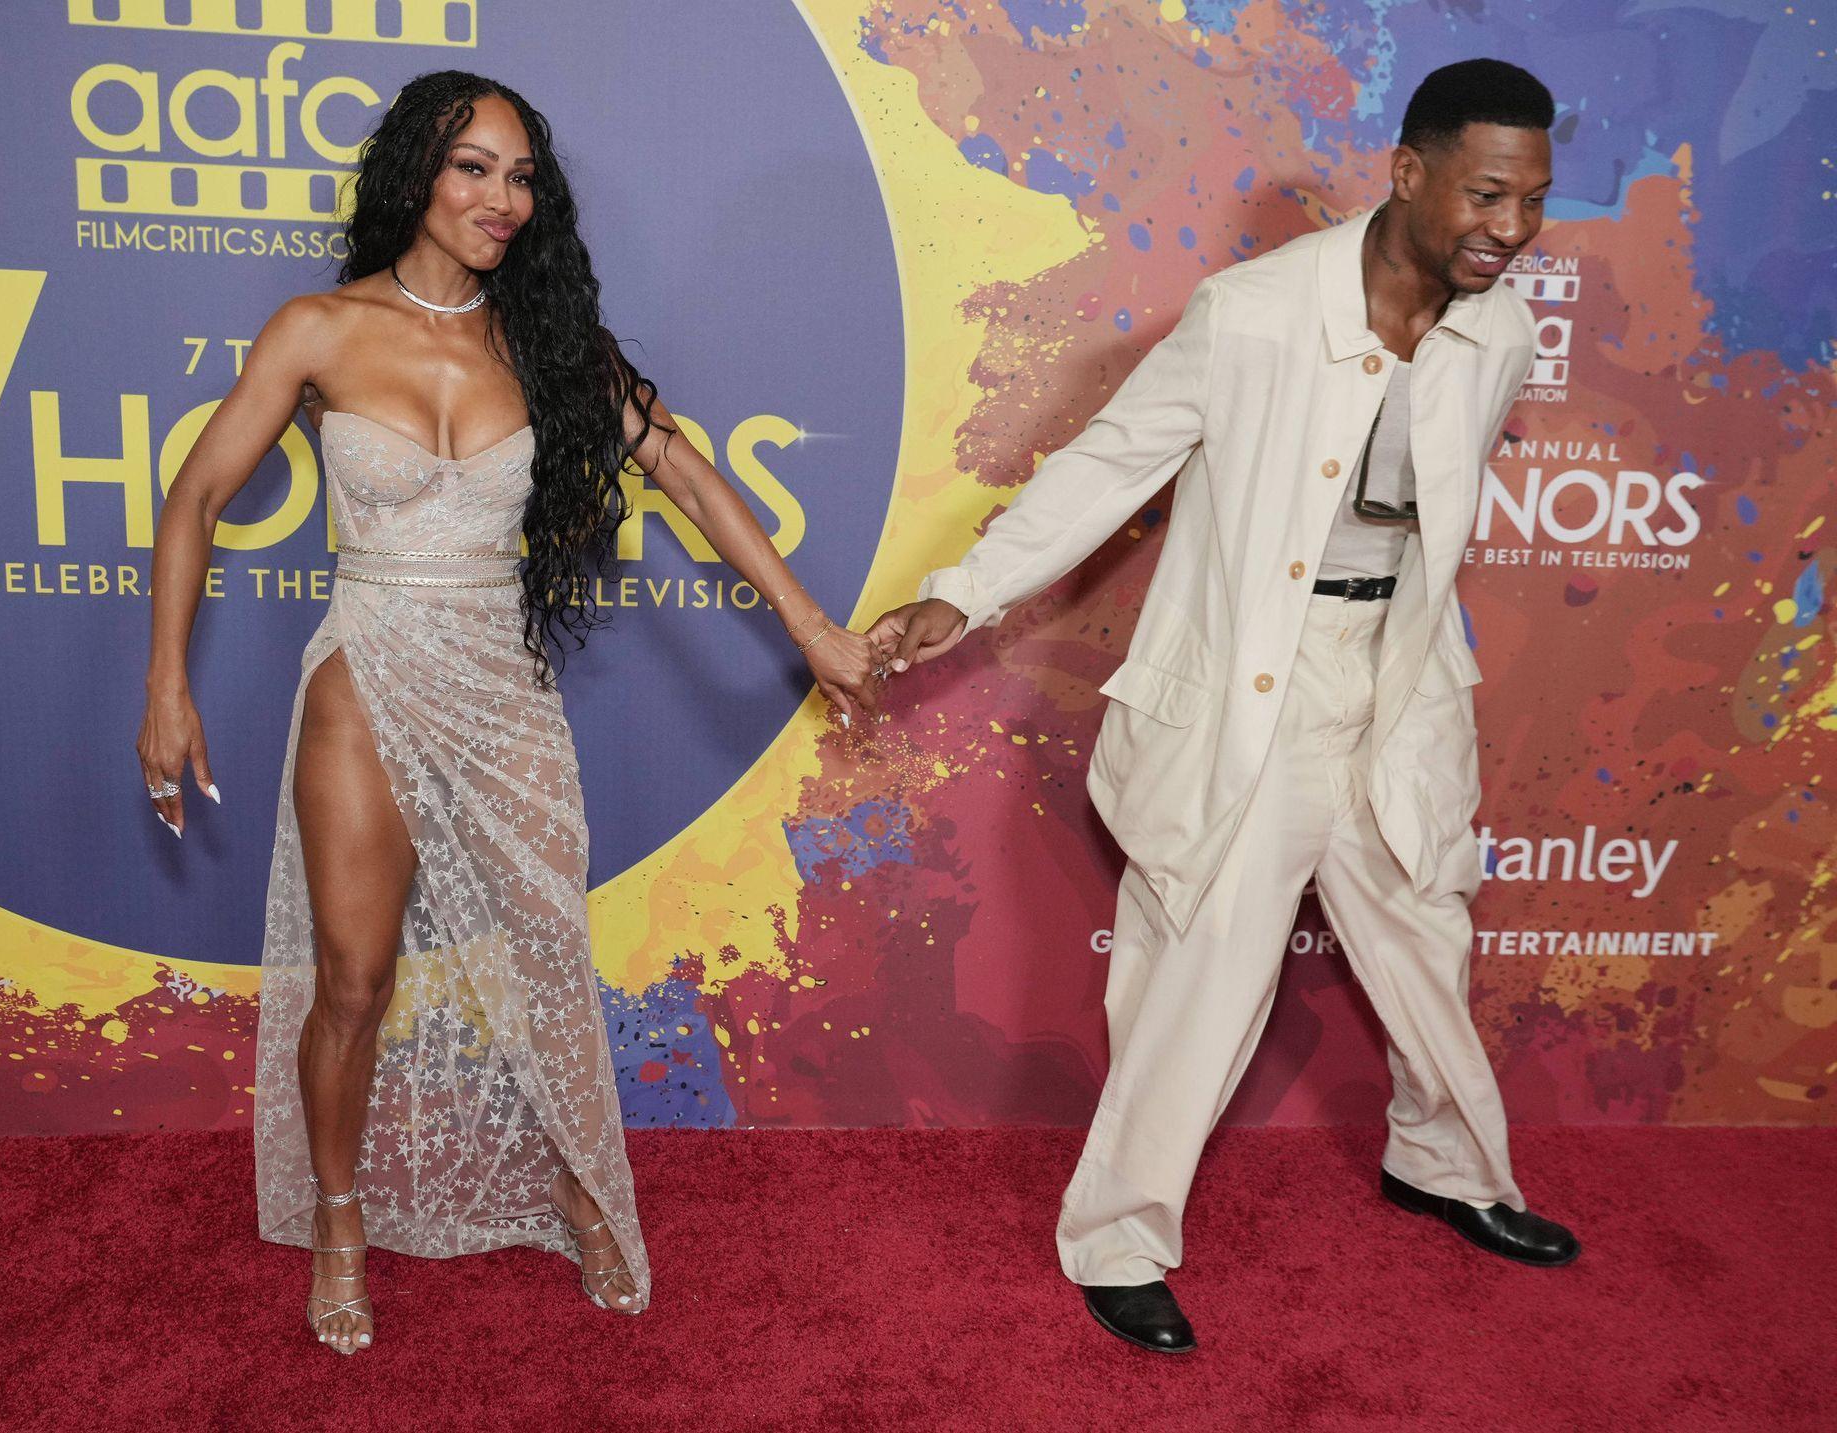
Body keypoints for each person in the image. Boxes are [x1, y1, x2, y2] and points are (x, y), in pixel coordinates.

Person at [136, 71, 883, 1355]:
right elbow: (196, 495)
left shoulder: (546, 337)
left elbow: (691, 477)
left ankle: (582, 1187)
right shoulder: (319, 327)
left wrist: (812, 629)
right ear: (416, 173)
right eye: (475, 167)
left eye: (522, 175)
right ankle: (338, 1217)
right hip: (368, 665)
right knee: (355, 979)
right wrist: (167, 685)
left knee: (545, 958)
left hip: (500, 679)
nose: (503, 198)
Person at [869, 59, 1580, 1354]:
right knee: (1203, 966)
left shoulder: (1506, 329)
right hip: (1261, 676)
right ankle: (1117, 1239)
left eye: (1532, 201)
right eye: (1487, 195)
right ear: (1408, 172)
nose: (1512, 229)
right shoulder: (1252, 312)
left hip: (1402, 672)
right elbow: (1109, 466)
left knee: (1425, 933)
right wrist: (960, 595)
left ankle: (1446, 1166)